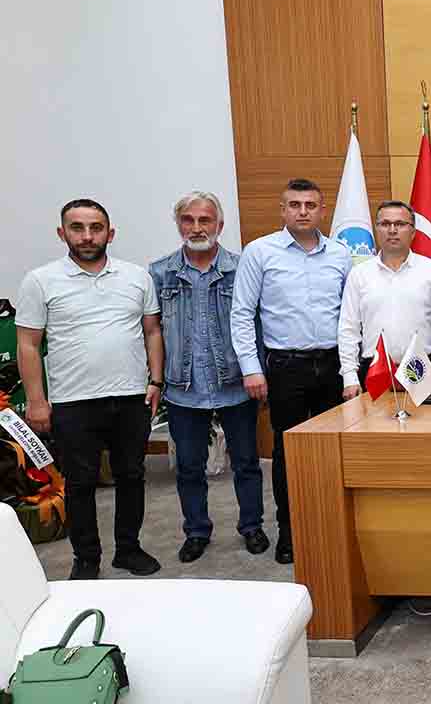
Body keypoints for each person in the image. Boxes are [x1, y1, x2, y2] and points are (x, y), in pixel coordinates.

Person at [15, 198, 164, 580]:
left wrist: (155, 381)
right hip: (73, 401)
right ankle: (86, 559)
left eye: (95, 228)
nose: (87, 236)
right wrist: (36, 400)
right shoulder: (40, 281)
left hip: (129, 397)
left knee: (132, 476)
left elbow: (152, 331)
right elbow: (28, 344)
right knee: (80, 484)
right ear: (62, 233)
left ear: (109, 234)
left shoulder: (136, 277)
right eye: (77, 228)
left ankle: (128, 549)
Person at [231, 178, 351, 565]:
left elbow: (351, 315)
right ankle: (290, 531)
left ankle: (331, 527)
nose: (303, 212)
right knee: (287, 454)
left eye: (310, 205)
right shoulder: (260, 252)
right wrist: (251, 369)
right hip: (285, 368)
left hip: (333, 366)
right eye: (295, 205)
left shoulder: (341, 254)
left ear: (322, 211)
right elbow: (242, 314)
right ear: (282, 210)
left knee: (334, 451)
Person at [149, 192, 267, 564]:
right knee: (189, 467)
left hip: (235, 383)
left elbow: (258, 325)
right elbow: (151, 331)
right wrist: (155, 380)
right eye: (188, 219)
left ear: (220, 224)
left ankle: (252, 526)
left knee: (246, 462)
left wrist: (259, 371)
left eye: (205, 220)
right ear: (178, 224)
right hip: (184, 387)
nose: (197, 227)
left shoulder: (242, 267)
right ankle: (197, 531)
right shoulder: (159, 273)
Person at [339, 200, 431, 396]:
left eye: (400, 224)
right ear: (376, 229)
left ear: (413, 231)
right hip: (375, 369)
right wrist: (350, 377)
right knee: (375, 417)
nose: (392, 230)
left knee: (424, 417)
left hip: (422, 367)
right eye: (385, 224)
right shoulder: (359, 274)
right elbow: (349, 328)